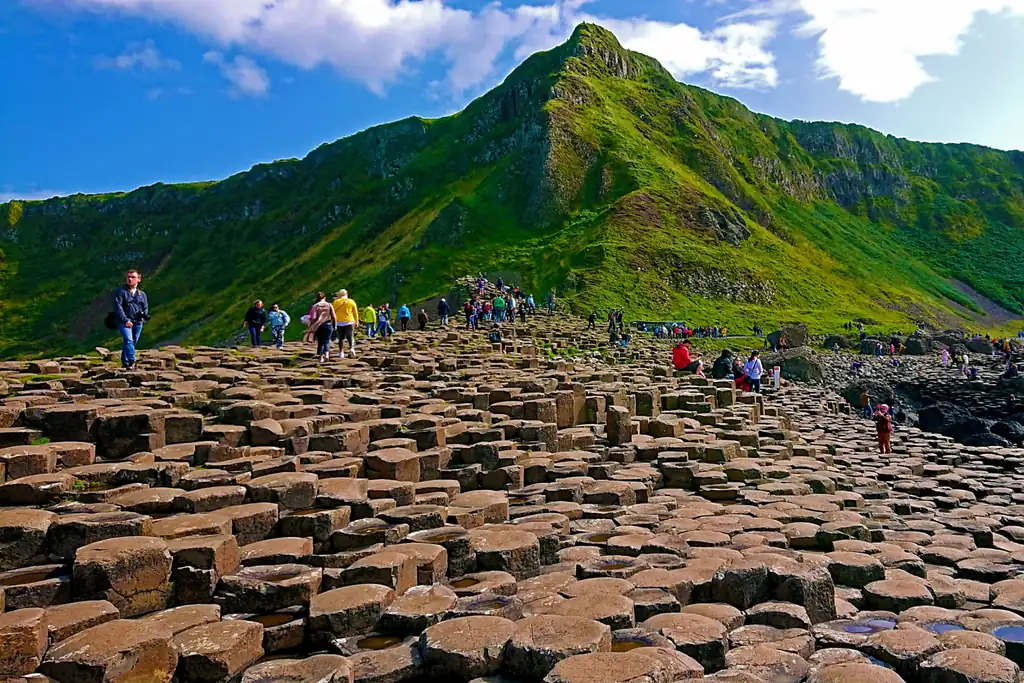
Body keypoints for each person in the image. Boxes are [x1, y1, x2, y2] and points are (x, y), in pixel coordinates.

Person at [113, 269, 150, 370]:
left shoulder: (142, 294)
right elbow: (118, 307)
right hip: (124, 321)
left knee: (133, 341)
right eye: (128, 277)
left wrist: (143, 316)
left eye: (132, 277)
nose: (130, 279)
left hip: (138, 322)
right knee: (128, 340)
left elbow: (145, 307)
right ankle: (132, 361)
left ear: (139, 279)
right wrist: (125, 320)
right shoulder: (120, 292)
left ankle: (125, 361)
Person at [304, 292, 336, 363]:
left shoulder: (315, 306)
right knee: (327, 341)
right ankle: (327, 355)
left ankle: (321, 358)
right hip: (328, 324)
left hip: (318, 325)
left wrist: (311, 324)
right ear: (324, 298)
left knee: (320, 342)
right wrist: (335, 325)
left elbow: (314, 317)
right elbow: (334, 316)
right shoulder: (329, 305)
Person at [332, 290, 359, 358]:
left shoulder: (336, 302)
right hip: (349, 321)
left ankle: (341, 352)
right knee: (350, 336)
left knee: (340, 338)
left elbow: (332, 312)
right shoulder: (351, 301)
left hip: (339, 322)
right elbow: (355, 313)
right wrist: (356, 321)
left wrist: (332, 321)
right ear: (346, 294)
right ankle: (351, 348)